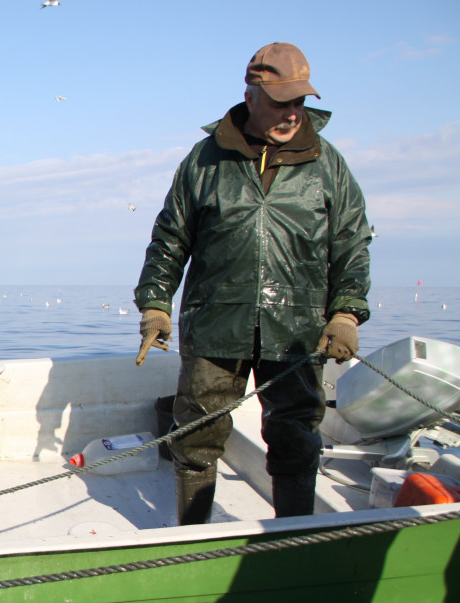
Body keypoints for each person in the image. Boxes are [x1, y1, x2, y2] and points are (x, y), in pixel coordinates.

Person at [133, 42, 372, 524]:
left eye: (300, 102)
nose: (292, 113)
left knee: (296, 438)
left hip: (297, 330)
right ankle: (192, 538)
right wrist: (155, 303)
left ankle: (293, 539)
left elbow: (351, 241)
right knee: (196, 438)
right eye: (282, 101)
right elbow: (171, 236)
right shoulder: (204, 160)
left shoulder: (329, 164)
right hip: (215, 322)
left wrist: (346, 311)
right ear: (252, 93)